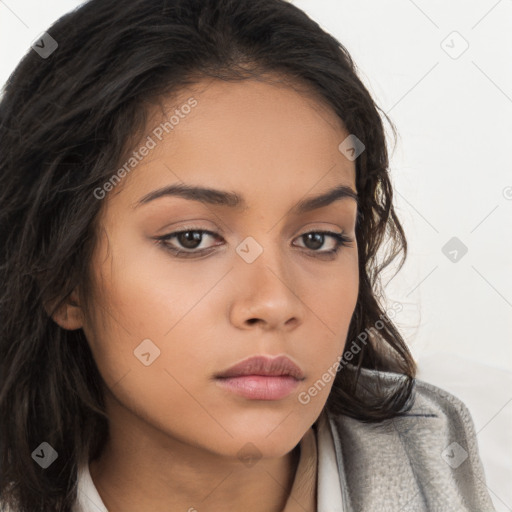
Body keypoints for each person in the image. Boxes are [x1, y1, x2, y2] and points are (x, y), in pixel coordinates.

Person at [0, 0, 496, 511]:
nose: (275, 302)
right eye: (191, 238)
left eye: (318, 238)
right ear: (61, 277)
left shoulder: (471, 451)